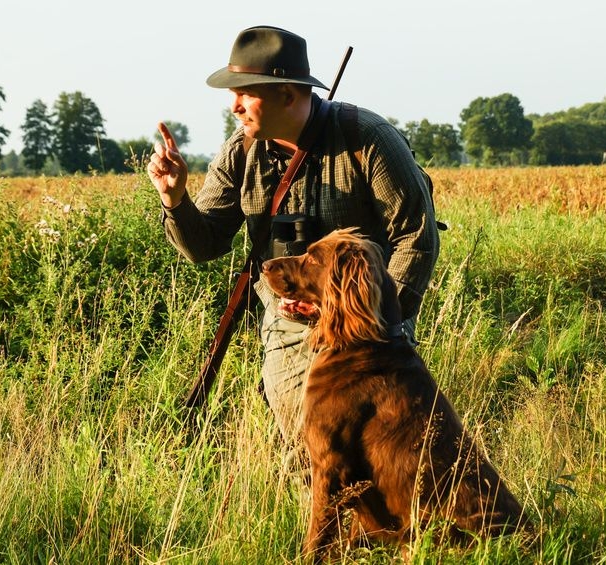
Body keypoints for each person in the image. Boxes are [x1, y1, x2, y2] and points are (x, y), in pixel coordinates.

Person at [147, 25, 440, 455]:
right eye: (233, 93)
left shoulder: (369, 140)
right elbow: (204, 244)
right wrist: (174, 199)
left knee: (384, 456)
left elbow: (416, 236)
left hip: (371, 328)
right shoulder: (239, 154)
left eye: (246, 92)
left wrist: (377, 321)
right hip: (288, 330)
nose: (234, 106)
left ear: (287, 95)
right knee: (311, 459)